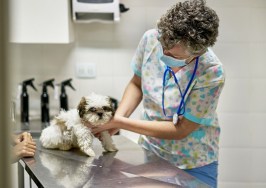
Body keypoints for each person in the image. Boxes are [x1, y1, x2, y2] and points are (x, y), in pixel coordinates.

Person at [92, 0, 225, 187]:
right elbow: (136, 83)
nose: (165, 56)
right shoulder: (151, 39)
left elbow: (182, 129)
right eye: (164, 48)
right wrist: (118, 118)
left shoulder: (211, 71)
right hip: (153, 153)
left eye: (176, 57)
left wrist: (121, 122)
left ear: (197, 53)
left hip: (194, 161)